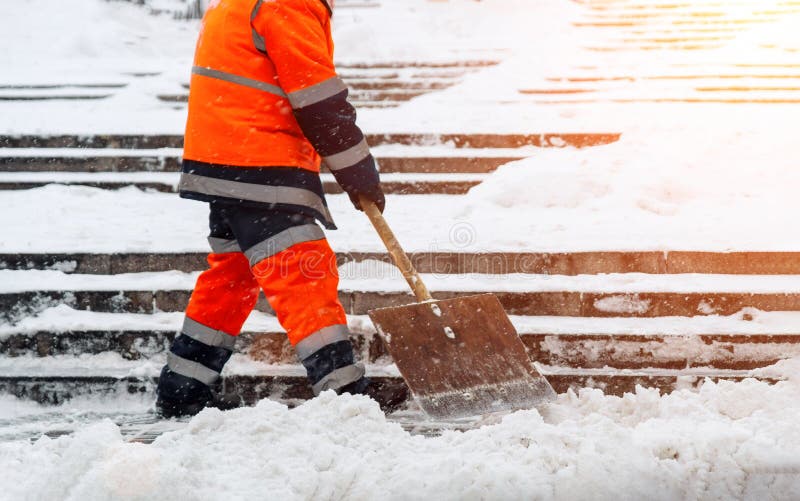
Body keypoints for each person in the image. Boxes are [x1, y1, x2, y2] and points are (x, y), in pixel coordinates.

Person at [155, 0, 396, 417]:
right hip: (260, 163)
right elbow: (319, 101)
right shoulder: (286, 4)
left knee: (232, 276)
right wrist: (359, 174)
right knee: (303, 271)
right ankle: (344, 395)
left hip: (223, 160)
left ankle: (183, 387)